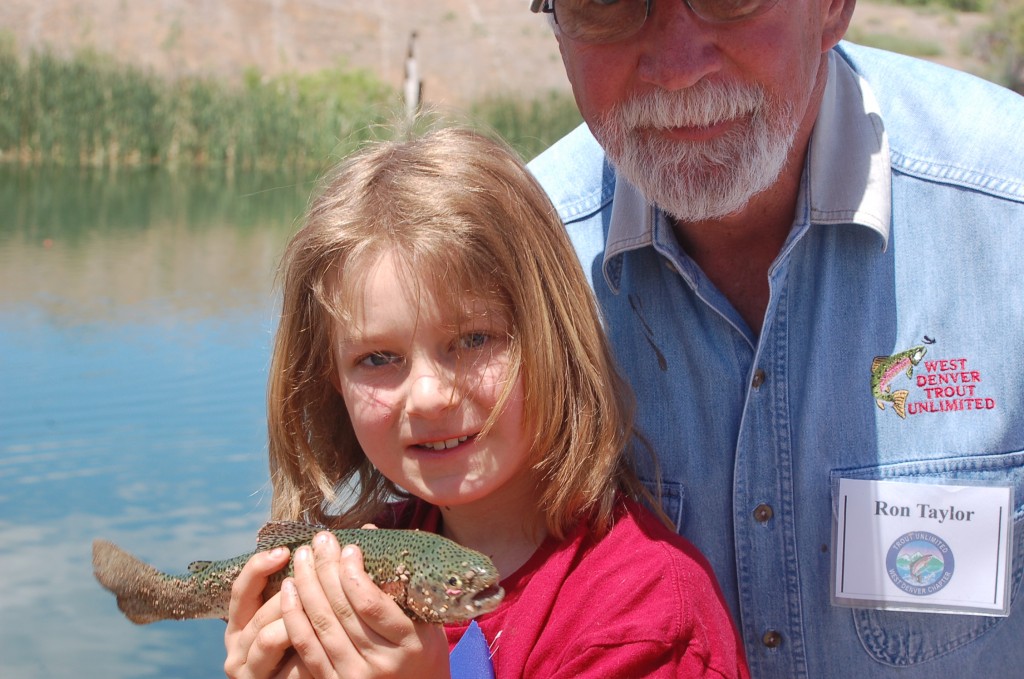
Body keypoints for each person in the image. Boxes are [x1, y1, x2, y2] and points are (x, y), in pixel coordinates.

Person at [525, 0, 1024, 677]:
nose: (677, 69)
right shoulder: (516, 275)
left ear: (832, 8)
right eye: (609, 6)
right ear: (557, 27)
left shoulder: (1005, 214)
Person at [223, 127, 750, 679]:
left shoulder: (646, 617)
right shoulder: (352, 573)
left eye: (473, 340)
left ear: (555, 338)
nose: (428, 396)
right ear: (332, 380)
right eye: (378, 358)